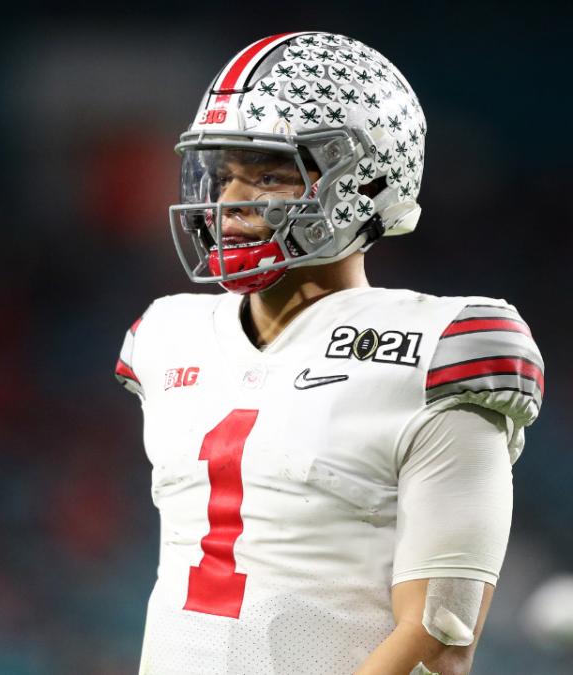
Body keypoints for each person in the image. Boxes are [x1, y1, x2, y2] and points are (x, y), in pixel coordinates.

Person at [115, 31, 541, 675]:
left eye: (270, 174)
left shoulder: (442, 348)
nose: (230, 201)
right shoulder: (167, 333)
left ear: (366, 181)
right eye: (222, 173)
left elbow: (438, 635)